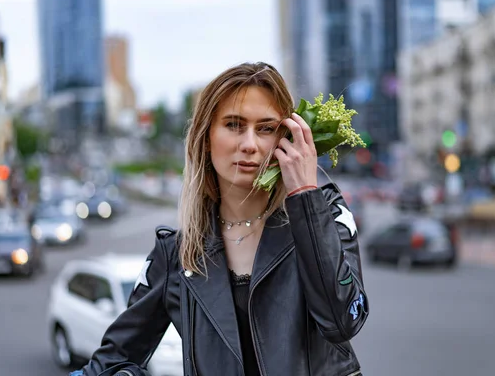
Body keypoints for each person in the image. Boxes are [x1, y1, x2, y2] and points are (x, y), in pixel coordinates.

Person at [73, 62, 368, 376]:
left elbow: (343, 323)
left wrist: (306, 195)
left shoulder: (325, 214)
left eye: (266, 128)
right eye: (234, 125)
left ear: (286, 139)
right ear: (206, 137)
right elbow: (108, 363)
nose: (250, 144)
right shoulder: (177, 255)